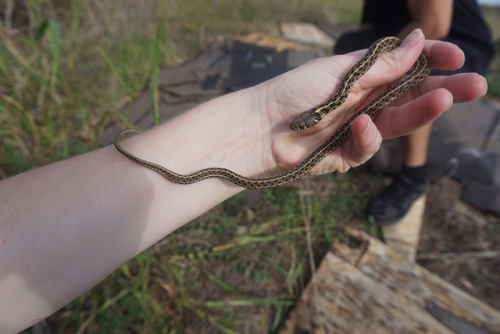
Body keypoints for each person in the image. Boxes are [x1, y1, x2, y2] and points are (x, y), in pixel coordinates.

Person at [0, 30, 489, 333]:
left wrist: (253, 136)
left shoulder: (350, 90)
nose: (300, 125)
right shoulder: (328, 99)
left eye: (303, 122)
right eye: (302, 122)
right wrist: (257, 128)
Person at [334, 0, 495, 226]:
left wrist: (381, 66)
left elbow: (434, 23)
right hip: (409, 31)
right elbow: (368, 27)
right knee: (348, 45)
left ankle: (414, 175)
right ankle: (362, 127)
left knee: (405, 74)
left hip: (459, 41)